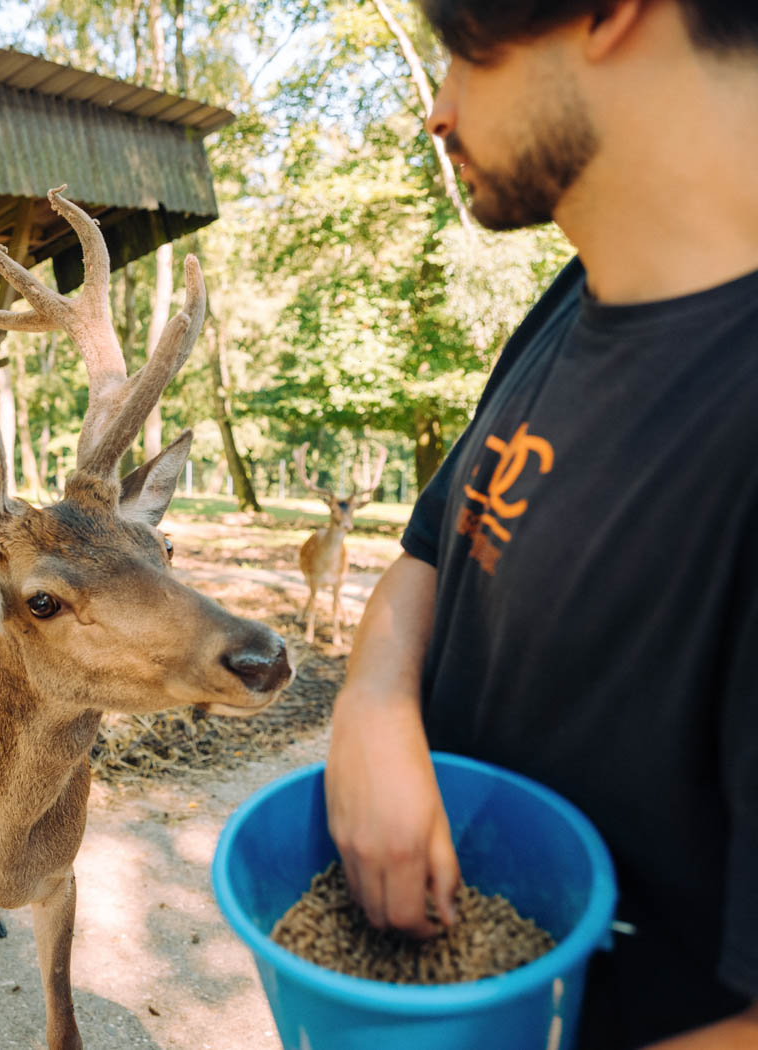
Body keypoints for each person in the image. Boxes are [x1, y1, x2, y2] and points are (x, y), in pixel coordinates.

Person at [322, 1, 758, 1047]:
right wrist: (374, 703)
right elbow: (433, 550)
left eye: (464, 51)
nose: (436, 110)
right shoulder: (577, 288)